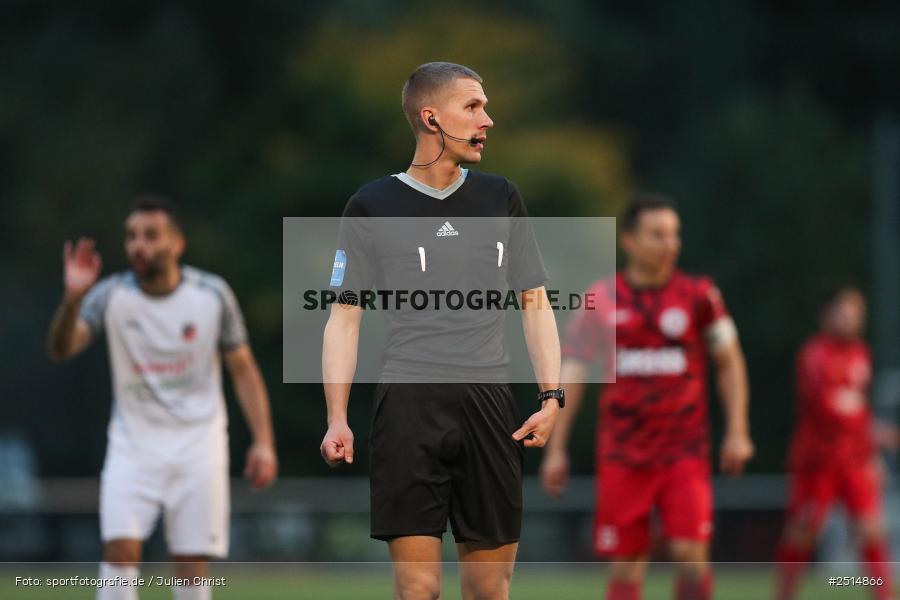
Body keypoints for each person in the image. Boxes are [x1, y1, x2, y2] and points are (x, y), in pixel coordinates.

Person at [319, 62, 562, 600]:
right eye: (473, 107)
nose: (487, 120)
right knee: (418, 591)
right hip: (408, 407)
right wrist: (336, 416)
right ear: (431, 118)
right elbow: (345, 316)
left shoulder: (502, 196)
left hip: (489, 406)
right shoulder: (371, 204)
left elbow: (535, 302)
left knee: (489, 593)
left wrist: (551, 395)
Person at [47, 195, 278, 600]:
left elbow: (243, 369)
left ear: (177, 244)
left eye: (151, 235)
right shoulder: (109, 295)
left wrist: (263, 442)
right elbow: (61, 348)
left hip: (198, 447)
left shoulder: (212, 294)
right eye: (132, 236)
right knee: (119, 552)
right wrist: (72, 300)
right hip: (132, 447)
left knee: (191, 567)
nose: (139, 245)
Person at [540, 193, 754, 600]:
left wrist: (738, 430)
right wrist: (557, 446)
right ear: (630, 241)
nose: (670, 244)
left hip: (684, 450)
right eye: (658, 235)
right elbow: (575, 371)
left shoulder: (700, 296)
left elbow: (729, 361)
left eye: (674, 234)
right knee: (626, 563)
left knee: (691, 558)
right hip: (623, 453)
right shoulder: (601, 299)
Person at [774, 286, 897, 600]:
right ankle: (785, 593)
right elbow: (827, 407)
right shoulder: (815, 354)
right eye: (846, 311)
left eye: (858, 312)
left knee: (872, 530)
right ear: (827, 315)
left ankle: (884, 595)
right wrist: (874, 430)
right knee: (803, 533)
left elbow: (857, 406)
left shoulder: (860, 353)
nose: (853, 319)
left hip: (854, 460)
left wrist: (872, 455)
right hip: (818, 460)